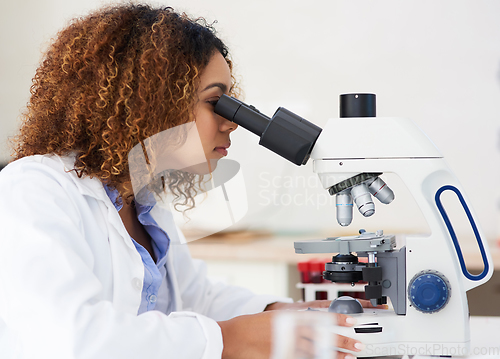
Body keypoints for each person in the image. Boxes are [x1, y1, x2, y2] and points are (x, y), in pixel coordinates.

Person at [0, 4, 368, 358]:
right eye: (216, 104)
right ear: (150, 104)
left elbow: (197, 299)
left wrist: (285, 312)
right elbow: (68, 341)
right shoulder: (34, 190)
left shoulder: (142, 203)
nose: (232, 123)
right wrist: (231, 339)